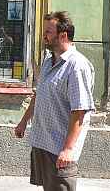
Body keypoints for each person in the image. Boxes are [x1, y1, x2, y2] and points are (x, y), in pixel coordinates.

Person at [14, 11, 95, 191]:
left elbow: (79, 111)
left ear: (63, 35)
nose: (44, 35)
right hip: (42, 142)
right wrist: (23, 121)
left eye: (48, 32)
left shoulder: (77, 66)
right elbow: (39, 94)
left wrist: (67, 149)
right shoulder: (48, 62)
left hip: (60, 149)